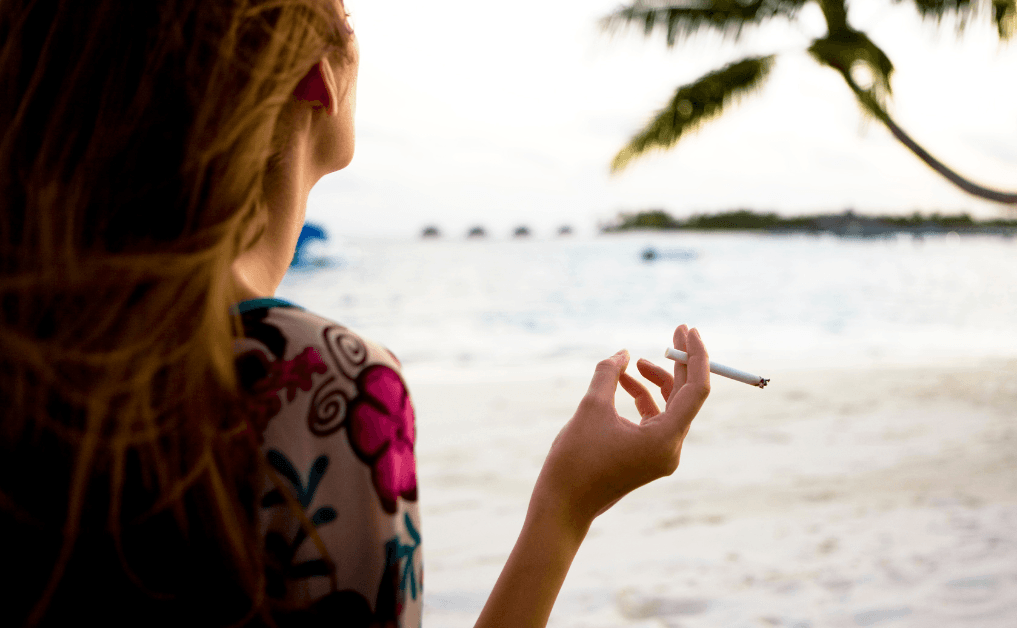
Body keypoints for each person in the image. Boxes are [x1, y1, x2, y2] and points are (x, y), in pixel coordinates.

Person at [0, 1, 712, 626]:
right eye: (348, 17)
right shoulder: (323, 382)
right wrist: (566, 504)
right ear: (319, 76)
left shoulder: (32, 335)